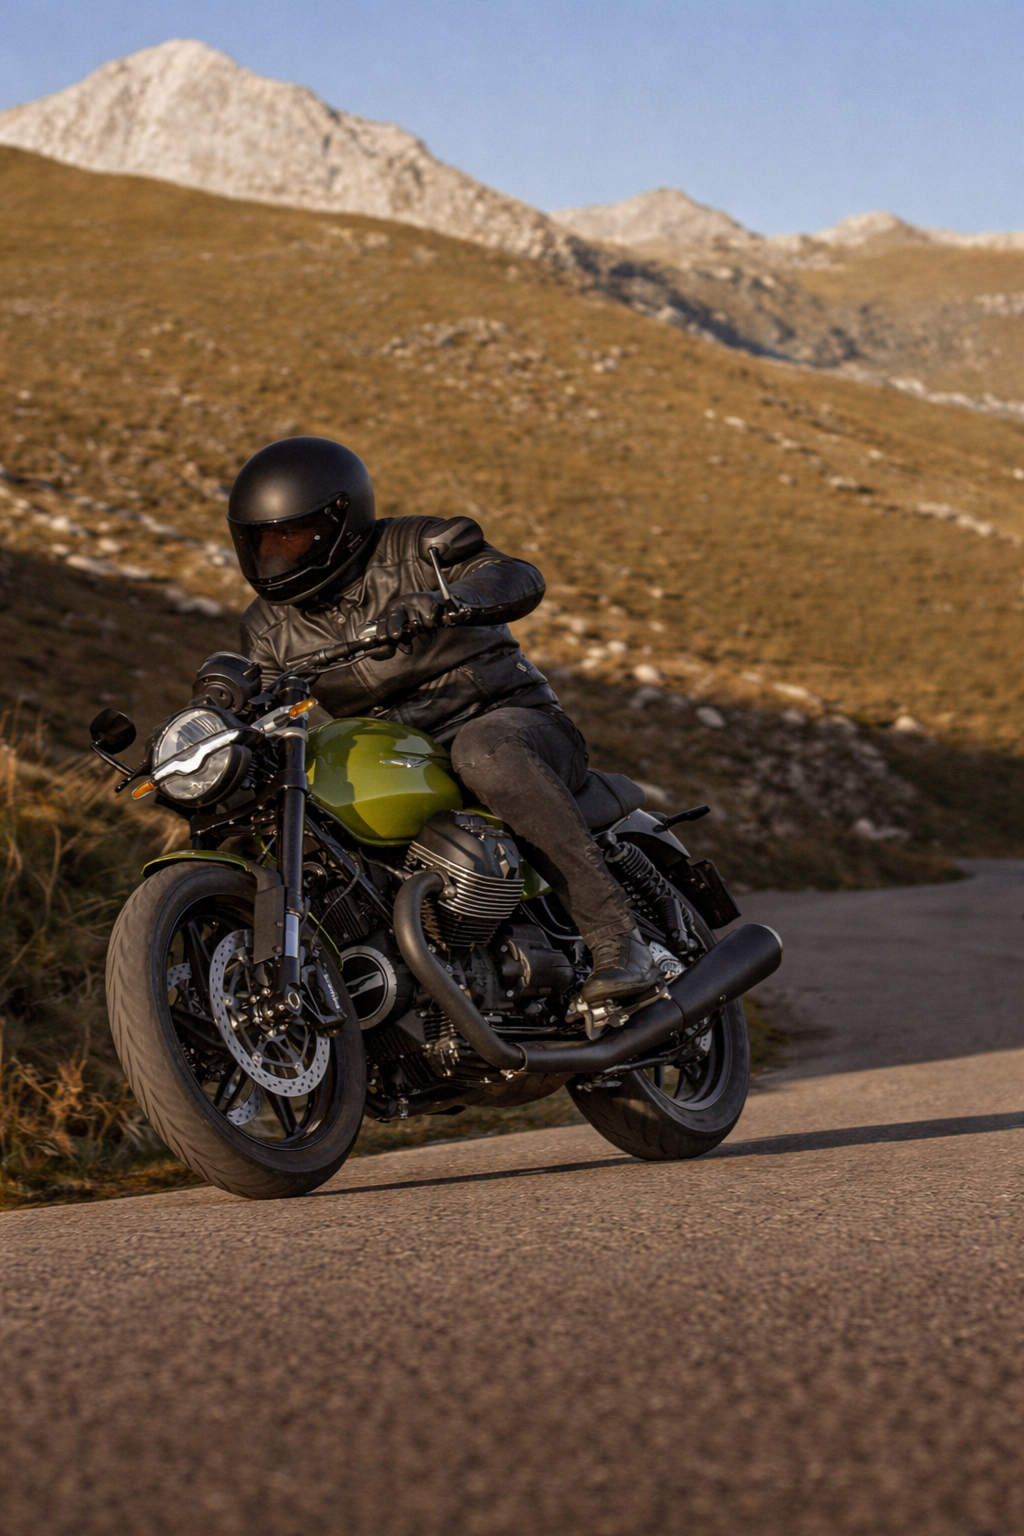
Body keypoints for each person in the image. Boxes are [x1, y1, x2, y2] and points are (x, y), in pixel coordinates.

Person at [228, 436, 658, 1005]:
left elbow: (514, 575)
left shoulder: (414, 546)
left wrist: (446, 601)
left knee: (483, 750)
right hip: (402, 760)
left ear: (338, 523)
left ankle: (618, 940)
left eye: (291, 535)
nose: (276, 553)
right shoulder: (265, 627)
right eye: (263, 542)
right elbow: (259, 702)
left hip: (514, 724)